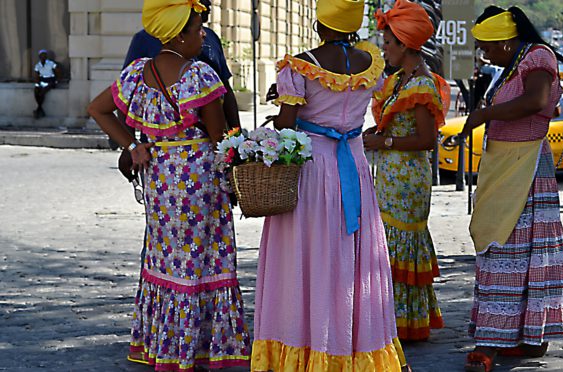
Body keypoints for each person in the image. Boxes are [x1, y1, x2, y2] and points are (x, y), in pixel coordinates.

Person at [87, 0, 251, 370]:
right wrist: (240, 165)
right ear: (178, 35)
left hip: (160, 183)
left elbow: (96, 109)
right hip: (200, 183)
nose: (203, 36)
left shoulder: (135, 74)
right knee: (204, 260)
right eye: (197, 29)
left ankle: (164, 344)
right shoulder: (200, 76)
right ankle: (206, 346)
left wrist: (133, 146)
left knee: (167, 259)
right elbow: (218, 137)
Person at [251, 0, 407, 370]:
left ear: (319, 23)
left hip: (312, 170)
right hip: (352, 164)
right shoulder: (371, 64)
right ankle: (354, 347)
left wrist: (279, 116)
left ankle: (307, 342)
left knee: (307, 256)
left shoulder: (299, 65)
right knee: (350, 256)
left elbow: (288, 127)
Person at [460, 6, 563, 372]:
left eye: (487, 48)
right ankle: (524, 335)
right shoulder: (515, 62)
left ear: (506, 43)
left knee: (508, 246)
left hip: (525, 168)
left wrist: (484, 115)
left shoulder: (538, 57)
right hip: (506, 164)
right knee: (508, 245)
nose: (484, 55)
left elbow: (537, 101)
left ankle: (494, 342)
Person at [363, 0, 449, 342]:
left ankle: (402, 323)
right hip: (391, 176)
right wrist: (379, 137)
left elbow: (427, 139)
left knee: (398, 244)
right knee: (389, 244)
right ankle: (395, 319)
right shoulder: (400, 80)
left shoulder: (422, 85)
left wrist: (384, 144)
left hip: (408, 181)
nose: (384, 50)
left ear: (404, 43)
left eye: (387, 44)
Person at [122, 0, 240, 129]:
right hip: (156, 146)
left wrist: (237, 134)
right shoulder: (144, 41)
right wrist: (130, 144)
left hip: (208, 143)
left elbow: (226, 89)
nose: (208, 3)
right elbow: (125, 96)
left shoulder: (210, 37)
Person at [33, 49, 60, 118]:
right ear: (39, 57)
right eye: (41, 55)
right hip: (42, 81)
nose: (43, 57)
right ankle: (40, 109)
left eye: (44, 55)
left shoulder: (51, 63)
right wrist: (37, 84)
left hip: (50, 81)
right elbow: (36, 75)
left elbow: (57, 71)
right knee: (36, 92)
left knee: (42, 92)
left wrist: (56, 80)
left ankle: (38, 109)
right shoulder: (38, 65)